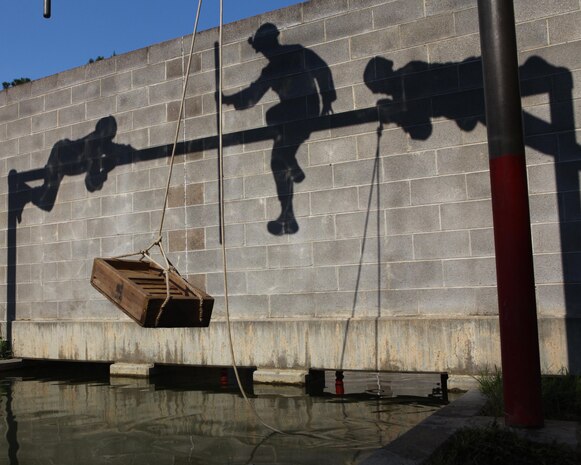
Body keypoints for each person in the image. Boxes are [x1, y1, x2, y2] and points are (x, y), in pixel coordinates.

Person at [222, 23, 336, 235]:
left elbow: (322, 69)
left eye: (264, 48)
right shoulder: (271, 69)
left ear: (271, 42)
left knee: (272, 116)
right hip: (291, 117)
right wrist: (228, 100)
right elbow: (252, 95)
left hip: (304, 107)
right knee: (277, 161)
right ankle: (287, 214)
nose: (265, 53)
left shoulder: (297, 53)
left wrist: (327, 99)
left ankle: (290, 164)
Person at [15, 116, 133, 221]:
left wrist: (124, 154)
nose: (110, 139)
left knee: (47, 204)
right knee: (47, 197)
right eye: (109, 133)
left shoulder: (102, 145)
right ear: (102, 131)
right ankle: (24, 193)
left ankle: (25, 194)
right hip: (60, 155)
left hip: (65, 162)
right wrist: (103, 173)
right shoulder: (93, 145)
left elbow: (117, 149)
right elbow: (90, 184)